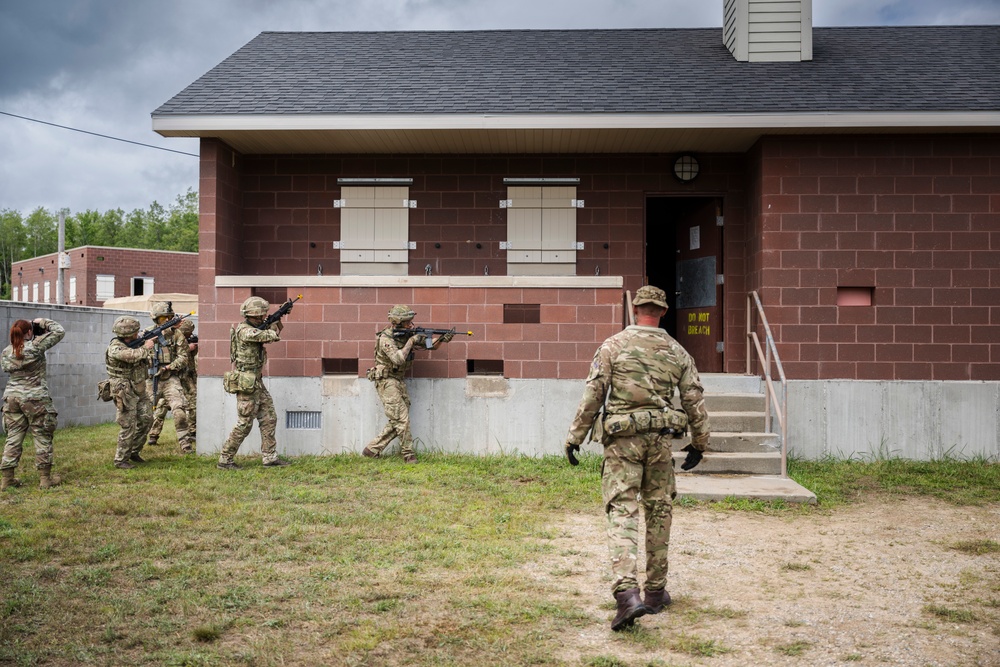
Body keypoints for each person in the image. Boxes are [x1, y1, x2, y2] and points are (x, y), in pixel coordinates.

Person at [564, 285, 710, 631]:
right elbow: (694, 399)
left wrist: (574, 437)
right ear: (662, 312)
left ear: (635, 310)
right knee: (660, 509)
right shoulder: (677, 352)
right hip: (659, 444)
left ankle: (628, 595)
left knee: (622, 510)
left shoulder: (613, 346)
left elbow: (593, 394)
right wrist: (700, 443)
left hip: (622, 445)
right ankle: (655, 592)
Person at [361, 305, 453, 463]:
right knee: (401, 419)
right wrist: (411, 341)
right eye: (408, 322)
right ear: (398, 322)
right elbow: (398, 359)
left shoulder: (408, 333)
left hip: (398, 380)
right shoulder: (386, 338)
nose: (411, 325)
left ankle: (372, 449)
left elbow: (430, 345)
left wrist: (442, 339)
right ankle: (408, 455)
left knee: (399, 418)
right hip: (386, 380)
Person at [218, 296, 290, 470]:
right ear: (252, 315)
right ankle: (225, 459)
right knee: (244, 423)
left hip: (256, 381)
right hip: (246, 383)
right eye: (260, 316)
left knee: (269, 418)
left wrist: (277, 318)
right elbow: (270, 336)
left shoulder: (254, 327)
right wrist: (274, 321)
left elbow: (270, 333)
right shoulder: (245, 330)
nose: (263, 319)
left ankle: (269, 457)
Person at [1, 318, 66, 490]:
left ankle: (7, 480)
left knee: (13, 437)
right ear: (29, 332)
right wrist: (42, 322)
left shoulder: (6, 352)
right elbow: (59, 331)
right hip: (35, 398)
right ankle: (45, 480)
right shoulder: (35, 346)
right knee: (42, 435)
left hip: (12, 398)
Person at [106, 316, 155, 469]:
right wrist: (146, 347)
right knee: (128, 424)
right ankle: (121, 459)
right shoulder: (115, 347)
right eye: (135, 332)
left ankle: (134, 451)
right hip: (124, 390)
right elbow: (130, 356)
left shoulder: (136, 343)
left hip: (139, 388)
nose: (137, 334)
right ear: (128, 334)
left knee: (147, 419)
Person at [145, 301, 193, 453]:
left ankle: (185, 443)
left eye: (169, 318)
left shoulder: (176, 334)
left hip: (169, 378)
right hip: (151, 379)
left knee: (179, 410)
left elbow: (183, 357)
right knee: (145, 414)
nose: (166, 321)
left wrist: (168, 367)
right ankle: (135, 445)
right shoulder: (146, 335)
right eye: (162, 319)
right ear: (156, 319)